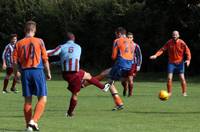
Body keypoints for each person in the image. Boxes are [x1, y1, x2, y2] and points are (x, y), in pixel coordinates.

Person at [47, 32, 111, 117]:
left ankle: (103, 87)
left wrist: (41, 52)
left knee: (87, 75)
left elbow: (51, 53)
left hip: (66, 74)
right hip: (74, 73)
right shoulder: (78, 47)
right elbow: (72, 59)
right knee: (75, 94)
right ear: (74, 39)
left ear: (65, 40)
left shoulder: (61, 47)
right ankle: (70, 113)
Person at [13, 20, 51, 131]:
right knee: (43, 98)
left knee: (28, 100)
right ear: (34, 30)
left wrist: (16, 74)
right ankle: (33, 121)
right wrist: (48, 72)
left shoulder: (18, 43)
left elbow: (14, 61)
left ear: (25, 30)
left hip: (25, 72)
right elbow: (45, 59)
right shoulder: (39, 41)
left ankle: (28, 126)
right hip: (37, 71)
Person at [150, 30, 191, 96]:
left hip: (180, 63)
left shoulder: (182, 43)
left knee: (182, 78)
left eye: (176, 34)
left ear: (178, 35)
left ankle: (184, 92)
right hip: (171, 63)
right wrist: (156, 55)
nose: (174, 36)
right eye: (173, 34)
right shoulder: (169, 42)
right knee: (169, 78)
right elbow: (162, 49)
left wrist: (188, 60)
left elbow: (188, 51)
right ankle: (169, 93)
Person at [121, 32, 142, 97]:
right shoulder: (123, 45)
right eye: (128, 37)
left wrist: (138, 65)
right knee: (123, 80)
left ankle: (130, 94)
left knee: (130, 79)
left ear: (132, 38)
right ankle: (125, 87)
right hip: (124, 64)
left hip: (132, 64)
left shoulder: (136, 46)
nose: (129, 39)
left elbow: (139, 56)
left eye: (131, 37)